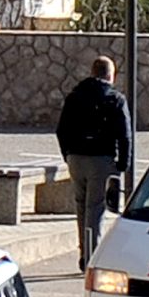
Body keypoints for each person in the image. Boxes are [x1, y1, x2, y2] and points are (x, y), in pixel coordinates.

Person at [55, 55, 135, 270]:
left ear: (92, 72)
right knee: (95, 208)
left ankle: (84, 251)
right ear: (111, 75)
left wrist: (67, 154)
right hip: (101, 159)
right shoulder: (115, 99)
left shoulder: (75, 95)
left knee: (80, 205)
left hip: (76, 157)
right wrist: (122, 164)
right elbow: (125, 135)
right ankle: (91, 257)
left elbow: (61, 129)